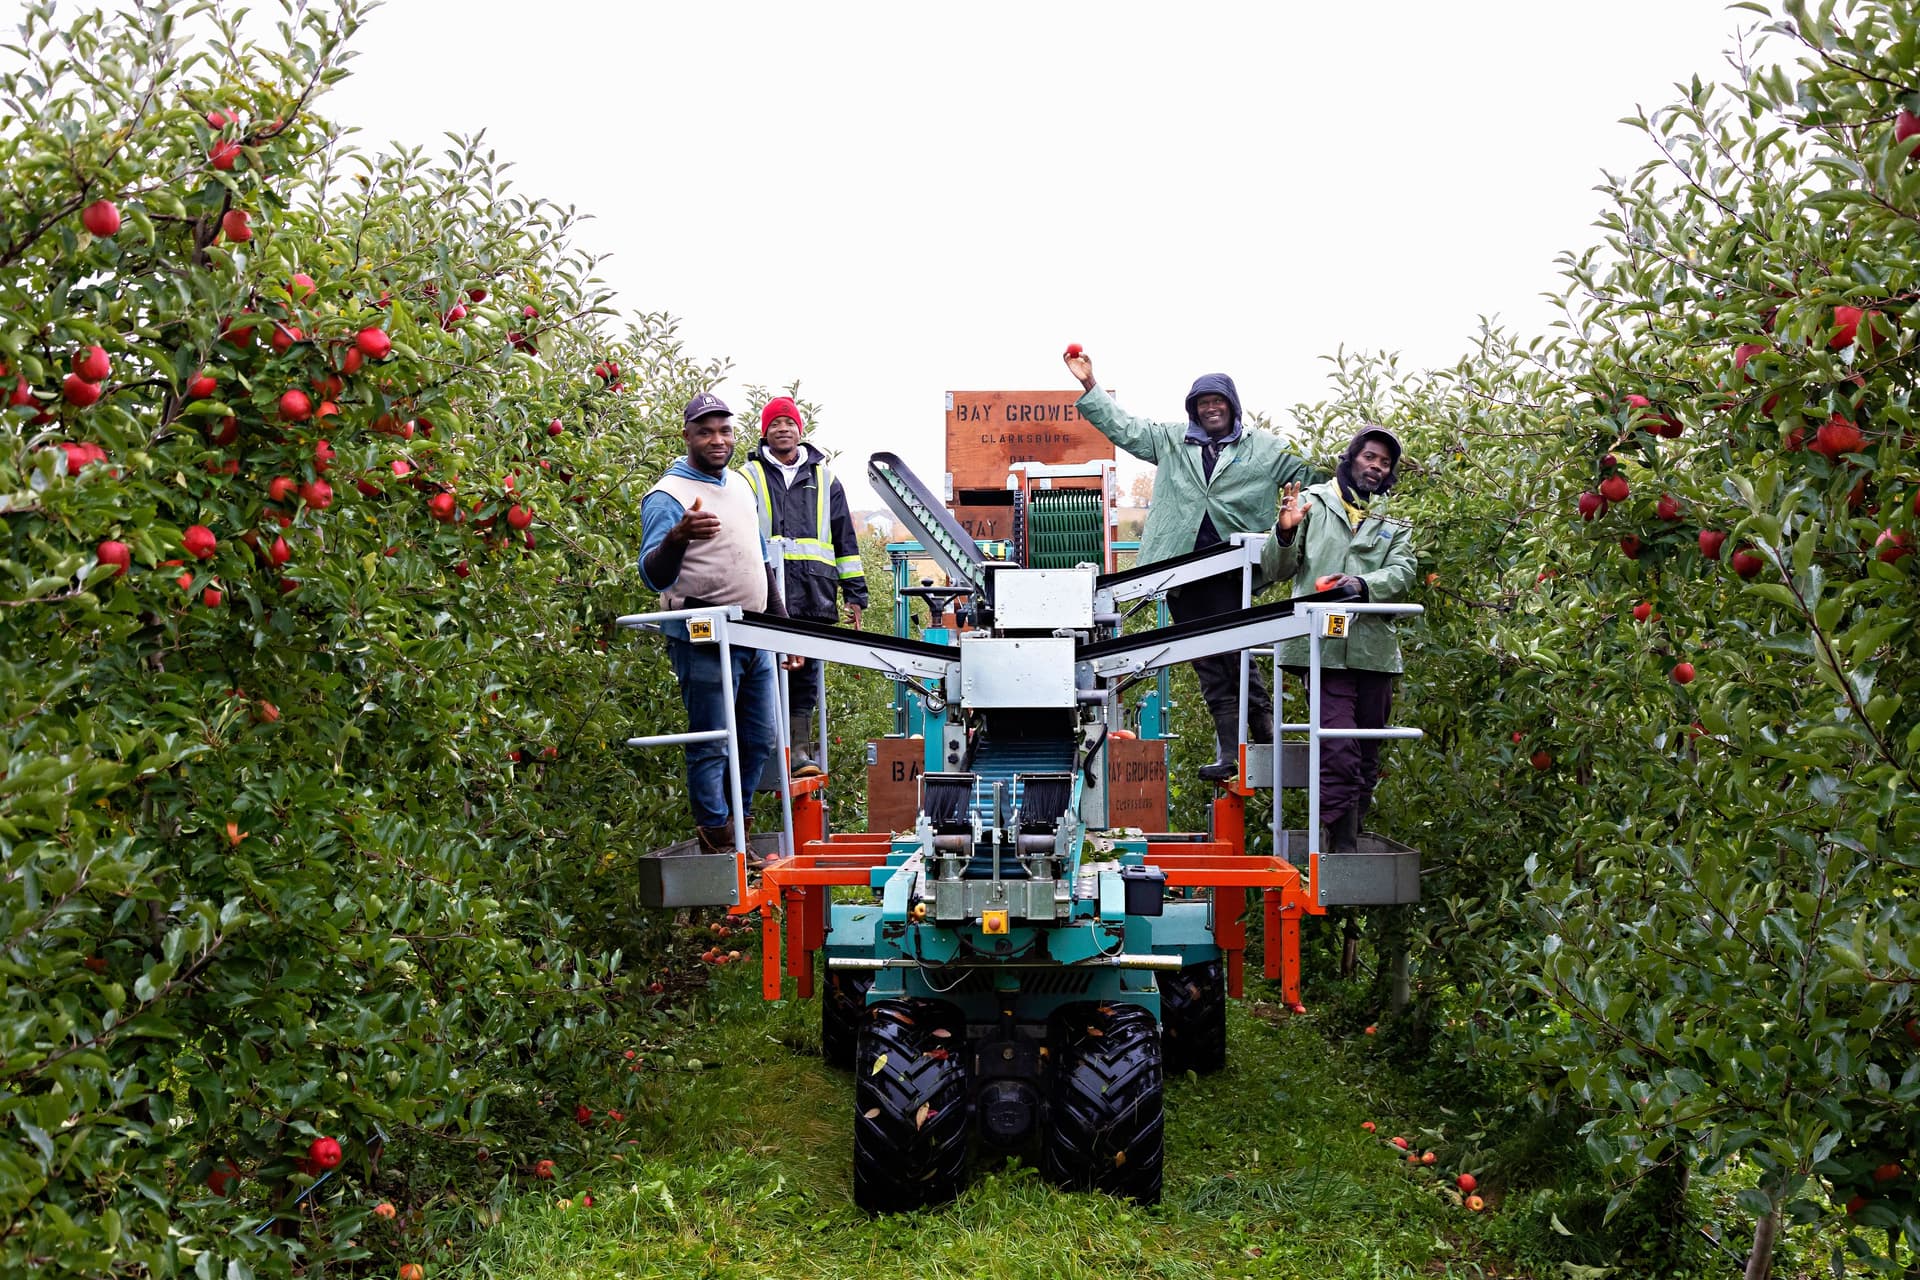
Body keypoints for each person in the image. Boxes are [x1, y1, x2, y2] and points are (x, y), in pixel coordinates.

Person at [1064, 346, 1314, 781]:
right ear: (1194, 411)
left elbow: (1317, 476)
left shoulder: (1266, 448)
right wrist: (1089, 383)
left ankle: (1264, 733)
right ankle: (1229, 747)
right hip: (1178, 567)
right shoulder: (1172, 440)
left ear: (1233, 407)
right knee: (1204, 658)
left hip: (1229, 567)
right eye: (1203, 403)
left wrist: (1365, 479)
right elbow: (1124, 427)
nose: (1210, 409)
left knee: (1234, 651)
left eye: (1218, 402)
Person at [639, 391, 801, 857]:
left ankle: (739, 820)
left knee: (759, 736)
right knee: (712, 737)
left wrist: (782, 626)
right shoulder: (667, 496)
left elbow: (759, 561)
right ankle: (716, 831)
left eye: (725, 430)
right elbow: (653, 575)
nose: (717, 439)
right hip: (704, 634)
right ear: (686, 435)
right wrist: (678, 535)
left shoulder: (741, 487)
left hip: (753, 630)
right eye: (706, 431)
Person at [1262, 426, 1415, 852]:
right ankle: (1340, 839)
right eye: (1370, 457)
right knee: (1337, 743)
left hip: (1373, 650)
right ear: (1351, 458)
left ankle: (1353, 827)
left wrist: (1361, 584)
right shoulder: (1313, 501)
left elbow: (1404, 572)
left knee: (1368, 749)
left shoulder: (1394, 517)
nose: (1376, 467)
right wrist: (1286, 531)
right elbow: (1276, 568)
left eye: (1384, 463)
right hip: (1322, 648)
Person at [741, 395, 868, 776]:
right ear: (765, 432)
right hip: (765, 592)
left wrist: (856, 595)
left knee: (806, 676)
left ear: (800, 429)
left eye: (789, 423)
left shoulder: (826, 479)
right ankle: (763, 750)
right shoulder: (748, 478)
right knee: (763, 670)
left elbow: (846, 540)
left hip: (815, 593)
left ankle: (799, 752)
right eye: (775, 424)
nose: (783, 429)